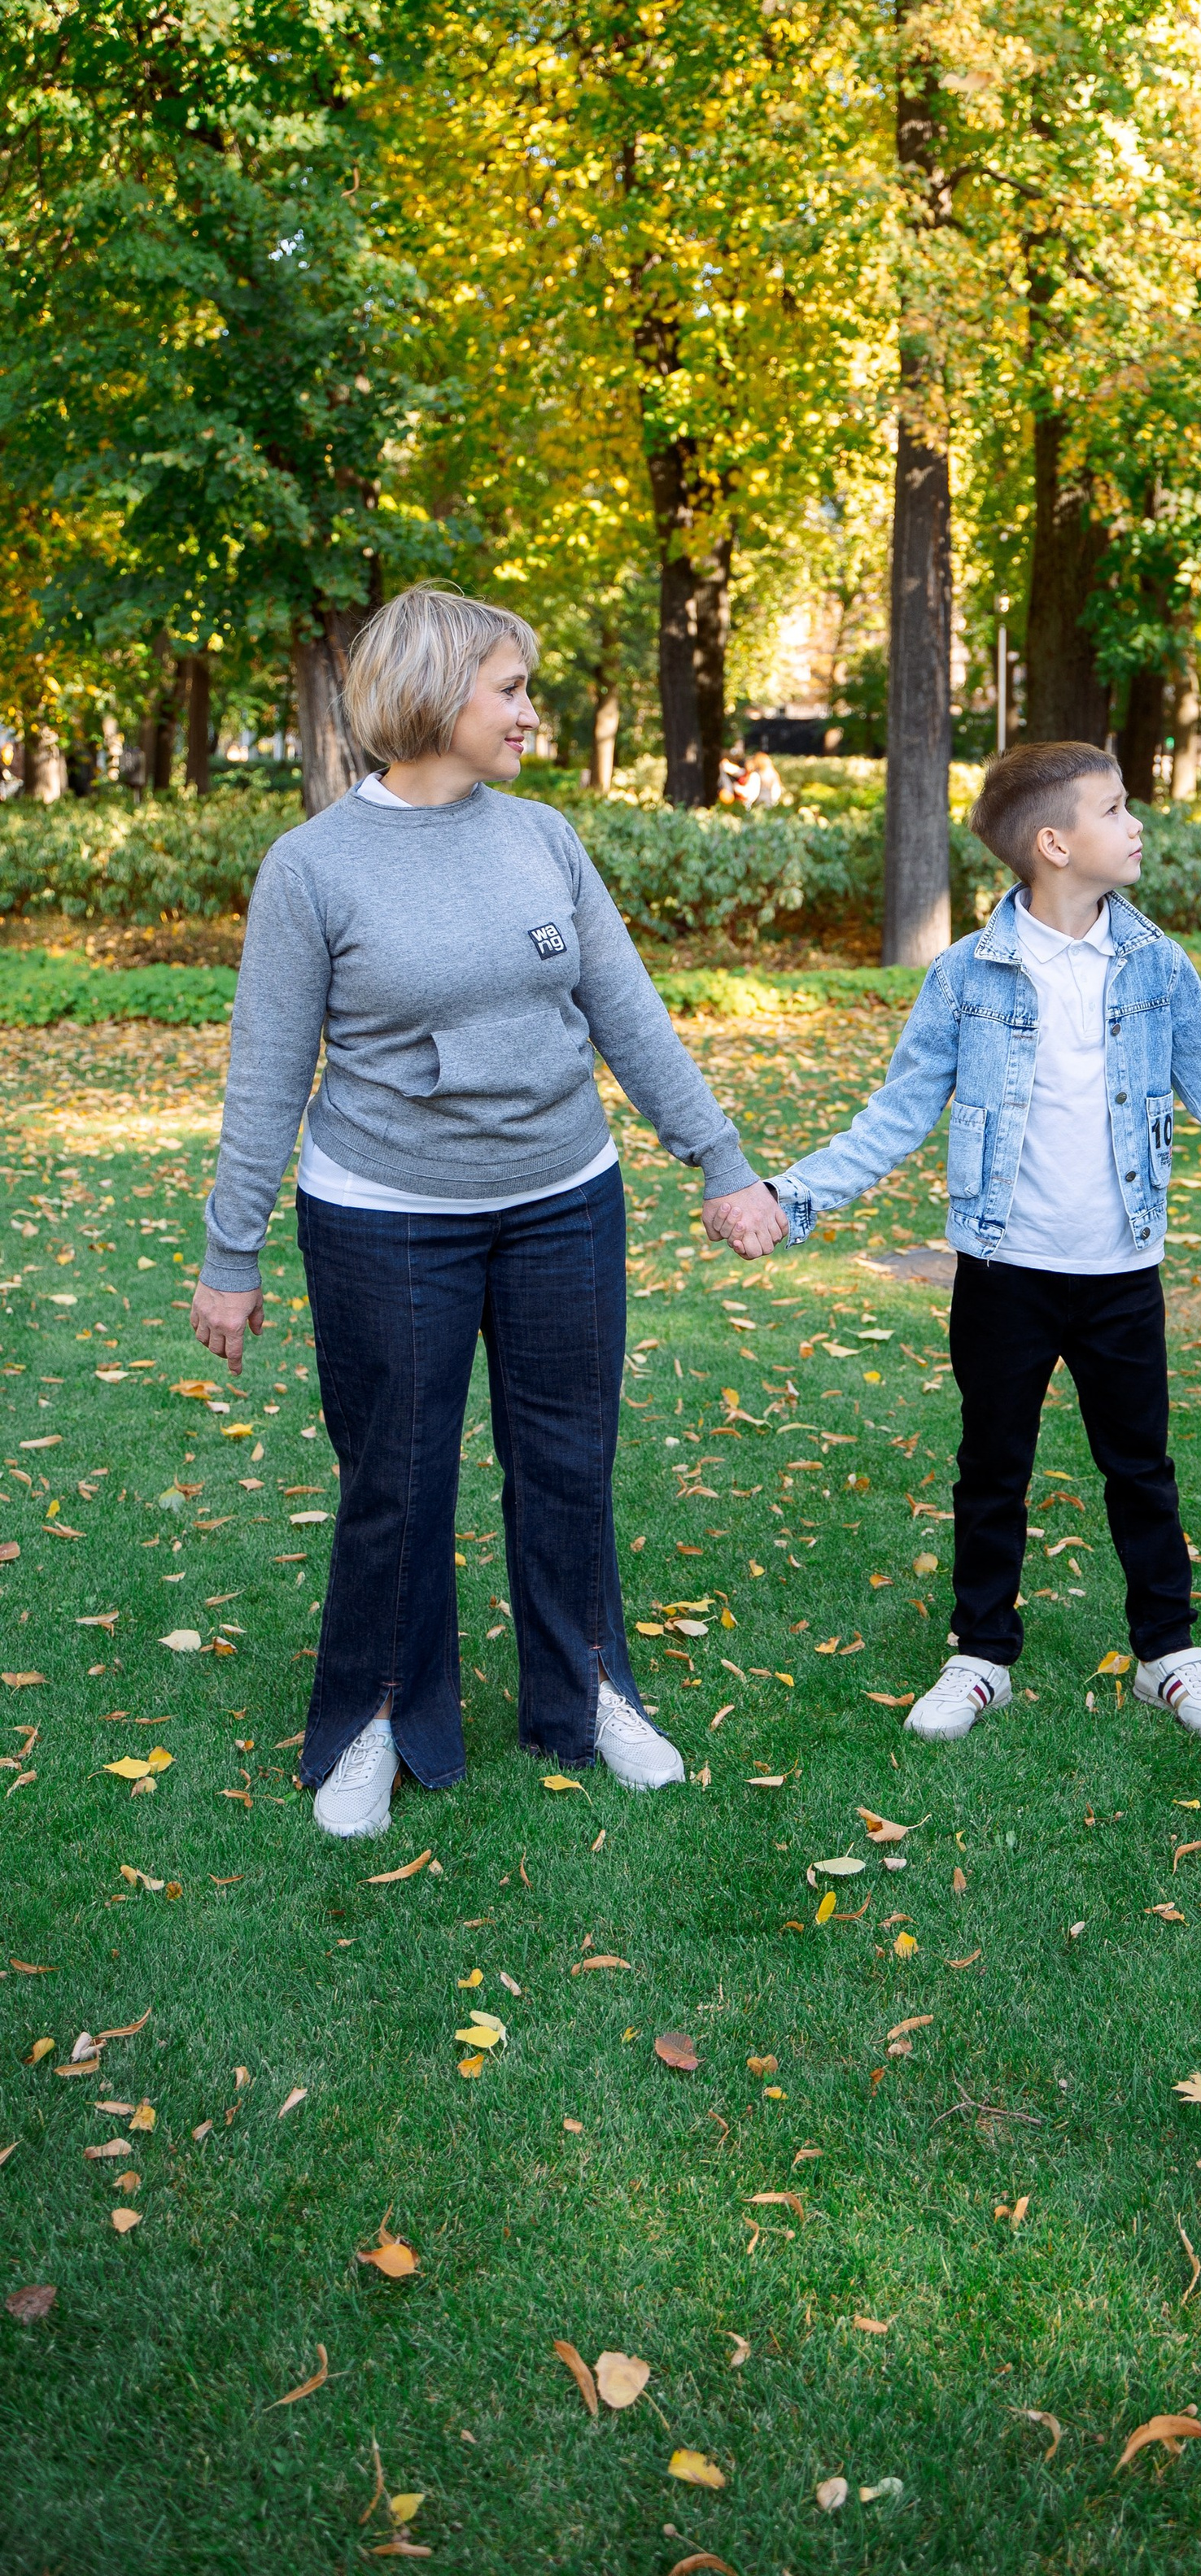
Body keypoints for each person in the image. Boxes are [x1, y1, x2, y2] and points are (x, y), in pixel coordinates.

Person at [188, 587, 780, 1840]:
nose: (530, 709)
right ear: (434, 695)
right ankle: (377, 1720)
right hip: (387, 1214)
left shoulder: (543, 836)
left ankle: (588, 1693)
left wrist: (720, 1162)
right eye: (509, 687)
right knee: (396, 1480)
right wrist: (228, 1252)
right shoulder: (313, 869)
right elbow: (265, 1073)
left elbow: (626, 1009)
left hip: (565, 1198)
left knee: (568, 1463)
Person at [741, 740, 1201, 1743]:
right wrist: (791, 1196)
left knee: (1141, 1468)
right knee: (992, 1469)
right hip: (1003, 1273)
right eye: (1115, 810)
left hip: (1120, 1275)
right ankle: (981, 1655)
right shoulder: (967, 977)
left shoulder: (1157, 966)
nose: (1136, 824)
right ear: (1053, 843)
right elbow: (893, 1119)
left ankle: (1168, 1654)